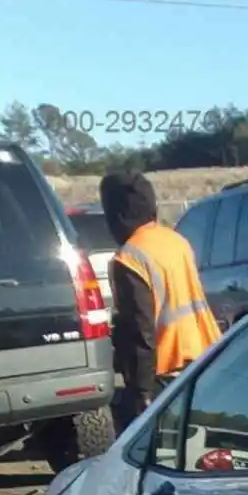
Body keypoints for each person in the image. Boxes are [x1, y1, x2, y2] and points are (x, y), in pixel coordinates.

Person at [98, 170, 220, 431]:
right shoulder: (175, 241)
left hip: (165, 370)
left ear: (117, 214)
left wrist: (142, 393)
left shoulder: (129, 258)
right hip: (202, 356)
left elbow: (141, 332)